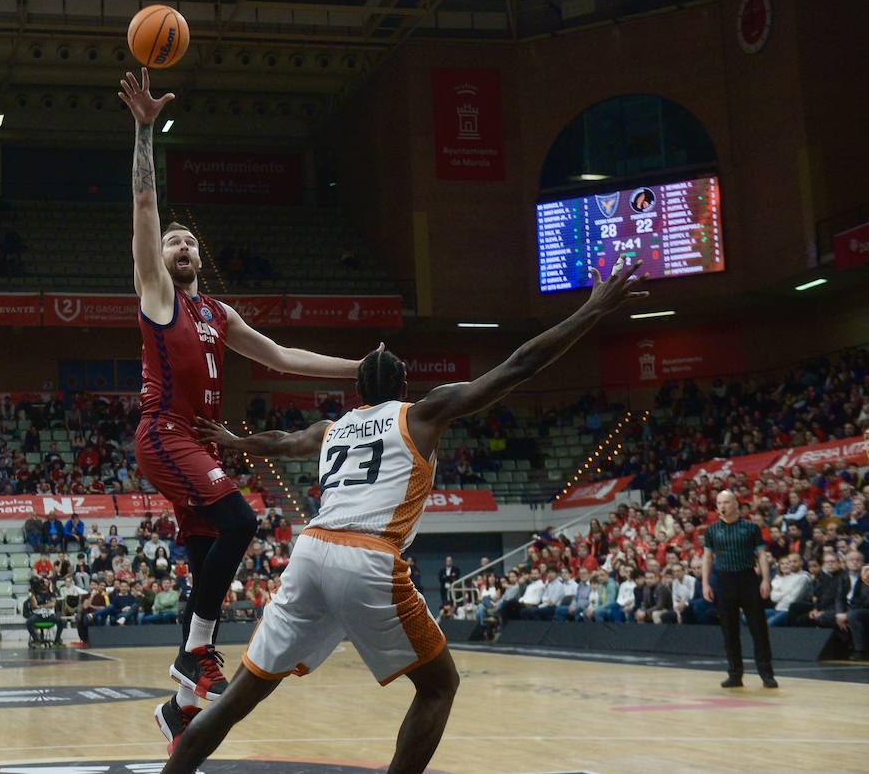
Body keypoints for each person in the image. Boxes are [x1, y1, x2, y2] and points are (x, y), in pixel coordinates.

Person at [164, 259, 649, 769]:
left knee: (243, 694)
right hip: (368, 555)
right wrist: (593, 308)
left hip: (309, 552)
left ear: (361, 390)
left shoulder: (333, 428)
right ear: (403, 384)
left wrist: (237, 441)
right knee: (439, 686)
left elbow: (283, 443)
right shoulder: (420, 413)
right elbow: (520, 365)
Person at [120, 67, 361, 722]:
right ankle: (193, 657)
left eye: (190, 239)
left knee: (209, 566)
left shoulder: (219, 315)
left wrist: (358, 370)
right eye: (173, 240)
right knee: (243, 521)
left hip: (196, 440)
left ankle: (178, 704)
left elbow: (283, 356)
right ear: (159, 258)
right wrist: (146, 131)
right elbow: (145, 209)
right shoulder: (158, 296)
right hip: (163, 433)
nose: (181, 244)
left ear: (202, 256)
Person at [701, 489, 777, 687]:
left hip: (748, 579)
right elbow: (708, 558)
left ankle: (766, 674)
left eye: (726, 502)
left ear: (735, 504)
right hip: (724, 581)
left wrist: (765, 580)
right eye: (719, 503)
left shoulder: (751, 528)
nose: (722, 507)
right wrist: (705, 583)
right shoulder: (711, 530)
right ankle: (735, 674)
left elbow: (761, 555)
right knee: (729, 630)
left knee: (758, 628)